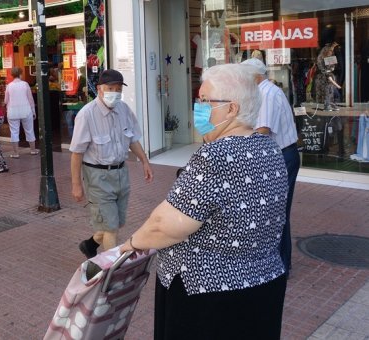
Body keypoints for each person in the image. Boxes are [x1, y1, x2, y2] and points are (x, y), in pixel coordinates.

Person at [119, 64, 288, 339]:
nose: (198, 108)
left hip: (208, 298)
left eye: (205, 101)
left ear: (232, 109)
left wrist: (131, 245)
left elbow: (166, 224)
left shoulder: (216, 155)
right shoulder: (269, 148)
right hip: (263, 288)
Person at [70, 69, 153, 257]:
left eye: (118, 89)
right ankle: (112, 271)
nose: (114, 93)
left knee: (115, 223)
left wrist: (144, 162)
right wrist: (76, 185)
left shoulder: (123, 109)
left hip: (121, 174)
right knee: (111, 228)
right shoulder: (86, 115)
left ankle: (90, 245)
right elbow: (76, 153)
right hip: (97, 177)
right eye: (110, 88)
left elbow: (132, 139)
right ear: (99, 89)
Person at [241, 57, 300, 277]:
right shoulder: (265, 91)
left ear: (255, 76)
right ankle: (278, 260)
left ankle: (282, 265)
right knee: (276, 209)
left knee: (278, 210)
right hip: (282, 155)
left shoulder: (266, 94)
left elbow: (263, 130)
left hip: (283, 156)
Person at [4, 67, 38, 158]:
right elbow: (30, 99)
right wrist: (33, 111)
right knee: (29, 130)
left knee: (14, 132)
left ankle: (16, 153)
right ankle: (33, 150)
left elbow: (6, 100)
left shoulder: (9, 86)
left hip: (12, 111)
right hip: (26, 110)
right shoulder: (25, 84)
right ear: (20, 74)